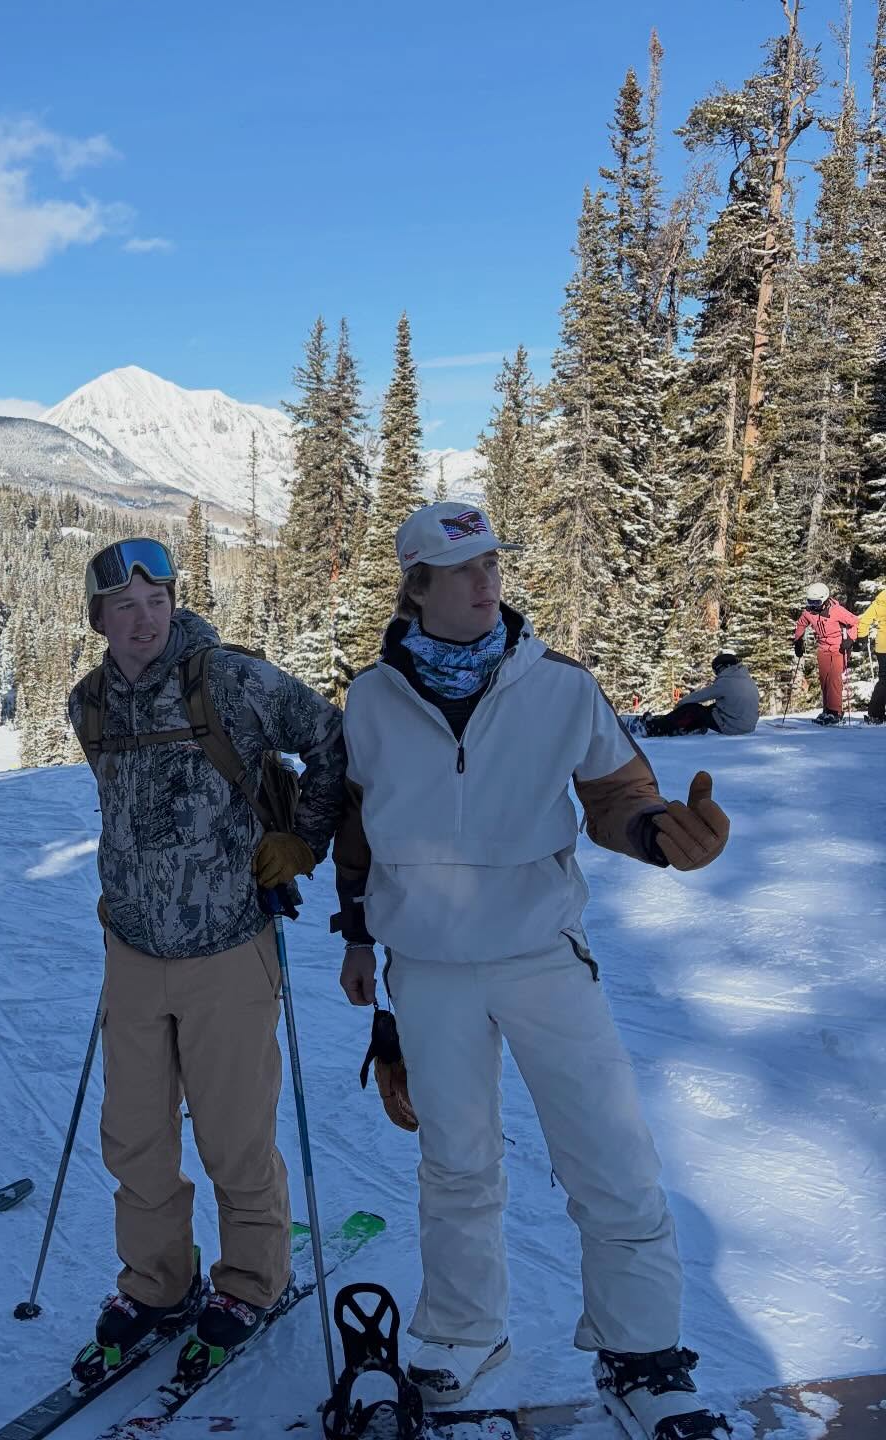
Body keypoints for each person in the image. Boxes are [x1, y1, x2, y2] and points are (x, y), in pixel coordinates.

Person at [333, 501, 731, 1440]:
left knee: (610, 1155)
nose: (486, 581)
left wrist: (658, 836)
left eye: (493, 564)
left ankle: (642, 1356)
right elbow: (357, 829)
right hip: (426, 968)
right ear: (416, 586)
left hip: (540, 955)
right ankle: (466, 1333)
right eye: (461, 569)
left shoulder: (559, 687)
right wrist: (356, 937)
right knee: (455, 1163)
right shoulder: (370, 701)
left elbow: (617, 793)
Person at [66, 537, 346, 1380]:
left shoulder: (232, 680)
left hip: (229, 945)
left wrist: (305, 839)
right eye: (124, 607)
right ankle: (156, 1283)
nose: (143, 619)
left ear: (175, 601)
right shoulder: (88, 704)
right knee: (136, 1139)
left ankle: (251, 1281)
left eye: (156, 601)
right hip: (133, 951)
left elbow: (334, 743)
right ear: (99, 619)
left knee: (234, 1135)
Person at [639, 653, 759, 737]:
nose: (716, 674)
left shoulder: (727, 682)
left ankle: (654, 728)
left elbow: (701, 695)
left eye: (717, 670)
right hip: (746, 725)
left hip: (733, 727)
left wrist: (681, 703)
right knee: (709, 710)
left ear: (724, 667)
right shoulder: (745, 678)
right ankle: (691, 727)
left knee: (692, 709)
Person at [793, 582, 858, 725]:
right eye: (810, 602)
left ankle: (835, 712)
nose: (813, 605)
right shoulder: (809, 612)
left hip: (839, 648)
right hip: (823, 648)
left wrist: (851, 639)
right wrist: (798, 640)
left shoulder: (837, 611)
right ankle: (827, 710)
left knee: (834, 678)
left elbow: (854, 622)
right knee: (824, 680)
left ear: (824, 599)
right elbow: (801, 624)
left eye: (816, 602)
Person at [851, 588, 886, 725]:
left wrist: (862, 636)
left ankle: (875, 713)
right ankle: (875, 714)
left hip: (882, 647)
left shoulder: (880, 601)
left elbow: (865, 619)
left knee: (884, 680)